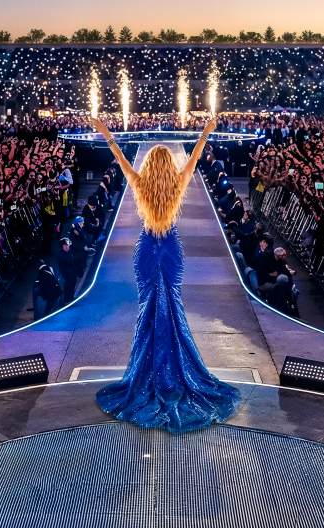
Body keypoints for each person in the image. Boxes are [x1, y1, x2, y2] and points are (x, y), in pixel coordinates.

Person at [89, 116, 241, 434]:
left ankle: (146, 373)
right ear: (169, 166)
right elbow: (197, 154)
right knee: (172, 306)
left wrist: (106, 132)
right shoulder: (178, 183)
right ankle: (177, 371)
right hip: (170, 248)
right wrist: (206, 132)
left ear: (148, 167)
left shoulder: (140, 184)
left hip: (147, 249)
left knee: (148, 309)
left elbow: (118, 157)